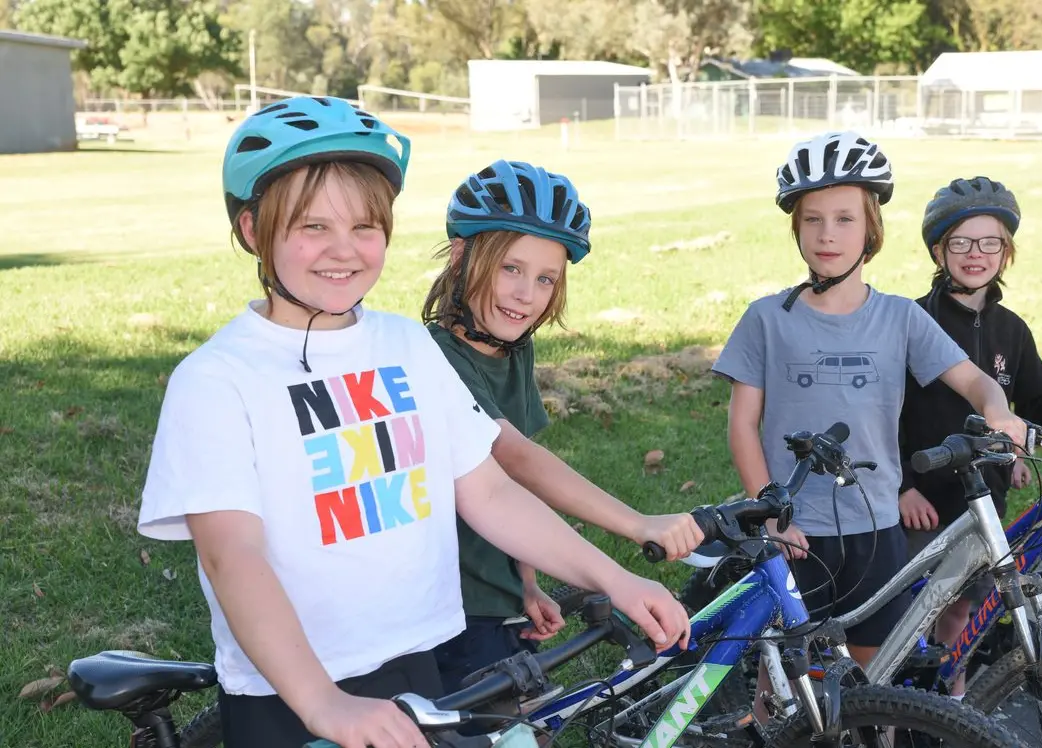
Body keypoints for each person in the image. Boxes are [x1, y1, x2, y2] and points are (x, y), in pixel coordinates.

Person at [137, 96, 689, 748]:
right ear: (255, 230)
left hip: (417, 660)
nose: (343, 251)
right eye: (313, 227)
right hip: (289, 689)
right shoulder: (217, 379)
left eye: (366, 228)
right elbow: (233, 555)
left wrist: (615, 577)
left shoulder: (405, 346)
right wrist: (323, 703)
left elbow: (489, 491)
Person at [711, 132, 1028, 673]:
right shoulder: (766, 319)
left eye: (844, 219)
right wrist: (769, 513)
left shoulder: (901, 317)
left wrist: (998, 411)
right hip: (794, 530)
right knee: (786, 678)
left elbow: (977, 382)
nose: (827, 235)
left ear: (871, 229)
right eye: (812, 220)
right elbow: (743, 425)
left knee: (875, 674)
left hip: (877, 529)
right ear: (796, 229)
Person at [420, 159, 704, 688]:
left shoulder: (512, 351)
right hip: (453, 603)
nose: (527, 293)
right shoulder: (436, 357)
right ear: (461, 256)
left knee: (526, 720)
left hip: (497, 592)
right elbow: (515, 458)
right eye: (511, 268)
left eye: (545, 278)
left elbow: (520, 478)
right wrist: (638, 523)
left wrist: (524, 582)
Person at [897, 176, 1042, 699]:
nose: (976, 254)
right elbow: (886, 414)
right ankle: (897, 708)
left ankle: (953, 707)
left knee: (963, 610)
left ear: (1006, 252)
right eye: (962, 243)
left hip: (983, 497)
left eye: (990, 242)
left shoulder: (1011, 329)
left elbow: (1039, 399)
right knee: (914, 613)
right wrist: (903, 483)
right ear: (938, 250)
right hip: (923, 497)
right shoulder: (913, 321)